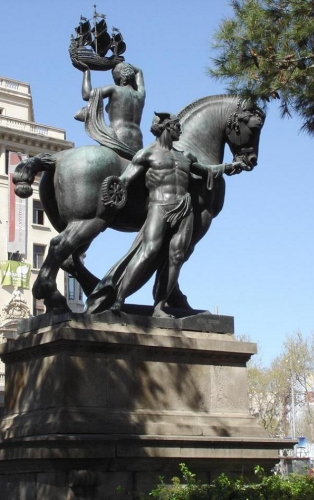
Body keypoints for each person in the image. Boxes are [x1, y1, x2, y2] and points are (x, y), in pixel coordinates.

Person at [85, 112, 244, 317]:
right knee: (148, 251)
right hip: (159, 206)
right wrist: (110, 195)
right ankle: (119, 299)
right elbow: (124, 180)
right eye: (177, 126)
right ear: (166, 127)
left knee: (176, 257)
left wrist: (229, 167)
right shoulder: (147, 154)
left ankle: (159, 307)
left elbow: (207, 171)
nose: (180, 130)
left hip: (184, 209)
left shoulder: (185, 156)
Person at [75, 61, 145, 159]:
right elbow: (139, 71)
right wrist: (123, 63)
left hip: (117, 136)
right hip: (137, 140)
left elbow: (87, 95)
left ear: (118, 77)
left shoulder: (114, 89)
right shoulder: (140, 94)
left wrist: (86, 71)